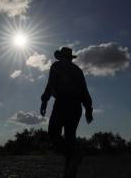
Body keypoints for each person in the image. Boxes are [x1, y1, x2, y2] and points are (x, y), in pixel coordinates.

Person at [40, 47, 93, 178]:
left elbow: (50, 85)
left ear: (61, 57)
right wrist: (88, 109)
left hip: (63, 102)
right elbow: (85, 91)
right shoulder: (78, 71)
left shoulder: (56, 66)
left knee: (53, 133)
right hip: (76, 106)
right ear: (70, 57)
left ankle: (74, 155)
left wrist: (45, 101)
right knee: (70, 139)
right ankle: (69, 173)